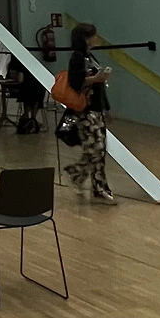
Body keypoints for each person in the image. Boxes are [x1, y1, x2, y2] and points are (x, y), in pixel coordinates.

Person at [64, 23, 114, 202]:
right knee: (95, 148)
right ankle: (83, 177)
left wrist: (105, 108)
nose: (96, 38)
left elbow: (98, 87)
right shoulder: (77, 57)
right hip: (84, 110)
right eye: (93, 35)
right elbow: (75, 82)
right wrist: (96, 78)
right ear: (86, 38)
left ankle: (91, 182)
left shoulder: (89, 56)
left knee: (98, 149)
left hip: (96, 108)